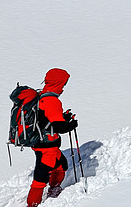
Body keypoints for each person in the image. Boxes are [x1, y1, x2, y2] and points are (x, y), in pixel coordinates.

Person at [26, 68, 77, 207]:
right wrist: (71, 125)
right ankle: (32, 204)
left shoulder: (41, 95)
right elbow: (59, 127)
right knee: (40, 177)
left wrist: (64, 118)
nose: (64, 87)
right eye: (64, 83)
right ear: (58, 83)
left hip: (44, 144)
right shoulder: (51, 100)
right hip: (46, 146)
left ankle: (54, 189)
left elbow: (46, 120)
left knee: (61, 165)